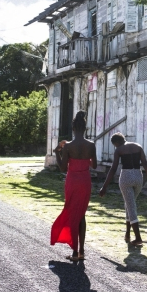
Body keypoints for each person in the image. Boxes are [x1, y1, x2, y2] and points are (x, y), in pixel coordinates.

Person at [51, 111, 97, 261]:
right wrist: (84, 161)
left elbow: (63, 168)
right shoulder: (91, 145)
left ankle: (75, 252)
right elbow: (94, 165)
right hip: (85, 181)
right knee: (81, 214)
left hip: (72, 181)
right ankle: (81, 251)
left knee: (72, 213)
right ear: (85, 128)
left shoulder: (68, 146)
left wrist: (57, 153)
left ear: (73, 128)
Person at [99, 132, 147, 247]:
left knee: (131, 207)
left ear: (116, 143)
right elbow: (145, 164)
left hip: (126, 178)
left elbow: (114, 168)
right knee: (129, 204)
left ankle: (138, 238)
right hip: (139, 178)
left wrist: (104, 186)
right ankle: (128, 234)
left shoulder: (119, 149)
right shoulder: (138, 146)